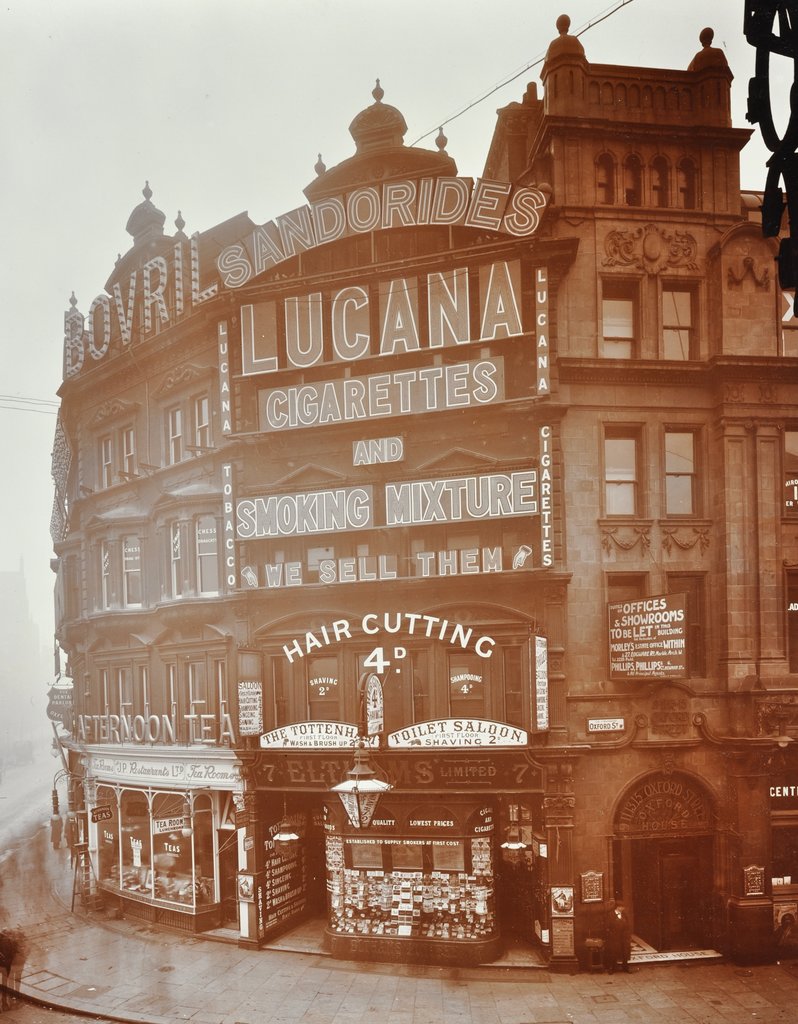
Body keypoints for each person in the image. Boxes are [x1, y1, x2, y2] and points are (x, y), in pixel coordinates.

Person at [604, 899, 632, 973]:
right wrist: (611, 935)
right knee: (614, 952)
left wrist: (628, 935)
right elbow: (607, 926)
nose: (623, 909)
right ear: (618, 907)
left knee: (625, 951)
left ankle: (625, 967)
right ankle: (612, 968)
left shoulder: (624, 914)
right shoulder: (610, 915)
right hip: (614, 937)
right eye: (622, 907)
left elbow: (628, 925)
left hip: (624, 936)